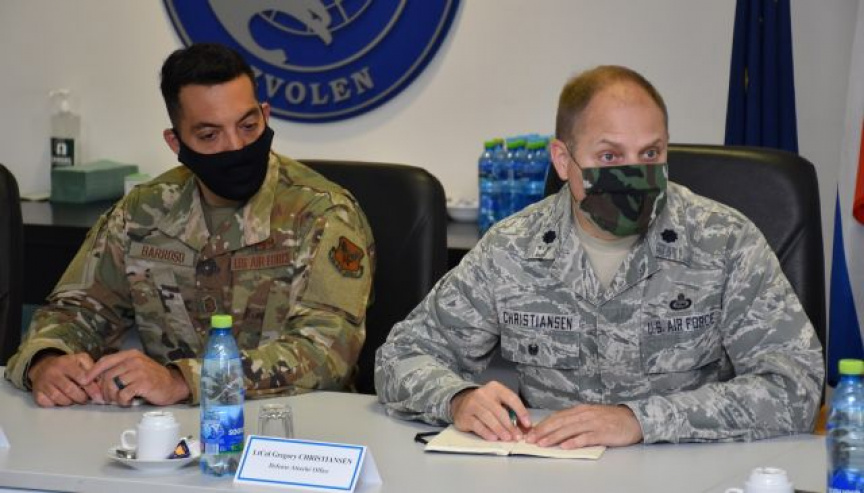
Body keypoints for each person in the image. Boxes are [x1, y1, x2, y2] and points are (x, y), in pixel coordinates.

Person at [375, 65, 824, 447]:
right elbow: (401, 357)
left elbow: (795, 386)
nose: (634, 174)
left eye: (650, 153)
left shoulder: (724, 241)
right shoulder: (512, 248)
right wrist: (458, 399)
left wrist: (641, 421)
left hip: (686, 473)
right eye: (610, 155)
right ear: (563, 160)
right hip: (552, 473)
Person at [5, 43, 374, 408]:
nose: (235, 146)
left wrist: (185, 380)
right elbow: (77, 310)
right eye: (210, 135)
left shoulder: (323, 213)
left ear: (265, 115)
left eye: (248, 126)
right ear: (175, 141)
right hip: (167, 428)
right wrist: (47, 360)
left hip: (289, 426)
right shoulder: (143, 211)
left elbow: (326, 354)